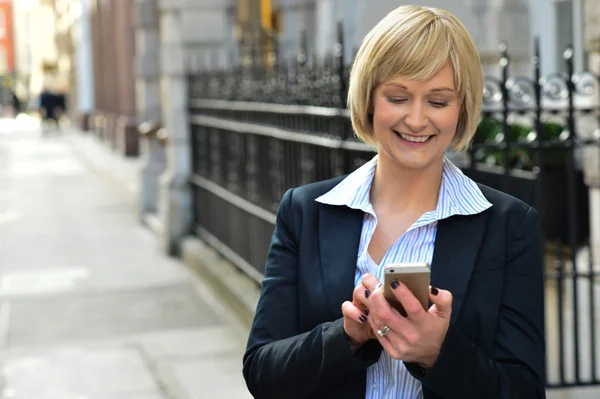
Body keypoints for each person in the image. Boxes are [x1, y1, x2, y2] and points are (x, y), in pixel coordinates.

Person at [243, 5, 545, 399]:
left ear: (462, 108)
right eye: (398, 97)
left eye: (438, 102)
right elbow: (263, 373)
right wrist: (348, 336)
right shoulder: (305, 211)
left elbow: (524, 390)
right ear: (369, 100)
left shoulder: (509, 225)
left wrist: (440, 352)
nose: (417, 120)